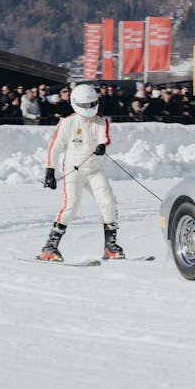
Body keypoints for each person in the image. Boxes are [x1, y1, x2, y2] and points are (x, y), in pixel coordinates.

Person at [39, 83, 122, 261]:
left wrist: (102, 146)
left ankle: (110, 245)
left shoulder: (101, 121)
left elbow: (104, 138)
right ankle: (50, 247)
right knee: (72, 205)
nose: (88, 108)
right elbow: (55, 147)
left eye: (92, 104)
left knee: (107, 201)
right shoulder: (67, 122)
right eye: (84, 105)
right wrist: (50, 171)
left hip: (94, 169)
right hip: (73, 169)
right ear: (75, 103)